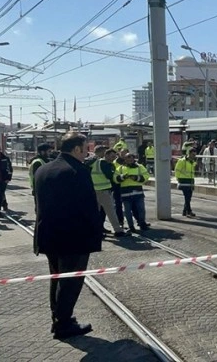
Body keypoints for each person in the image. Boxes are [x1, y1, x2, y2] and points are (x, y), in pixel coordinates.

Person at [33, 132, 103, 339]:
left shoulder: (43, 169)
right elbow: (89, 207)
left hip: (48, 235)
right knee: (70, 282)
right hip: (73, 237)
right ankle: (63, 324)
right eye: (85, 149)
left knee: (56, 278)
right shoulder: (78, 171)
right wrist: (96, 232)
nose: (87, 153)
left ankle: (58, 318)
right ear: (76, 149)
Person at [88, 146, 129, 237]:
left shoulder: (95, 162)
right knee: (111, 212)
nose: (113, 158)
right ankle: (118, 230)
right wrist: (119, 176)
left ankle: (97, 231)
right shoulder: (104, 164)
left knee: (96, 213)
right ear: (105, 155)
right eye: (111, 156)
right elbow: (110, 176)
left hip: (94, 191)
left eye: (114, 156)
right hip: (103, 191)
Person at [115, 153, 151, 232]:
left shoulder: (139, 167)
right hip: (126, 194)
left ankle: (142, 224)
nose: (130, 160)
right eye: (128, 158)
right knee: (128, 211)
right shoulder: (120, 168)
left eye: (131, 158)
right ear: (125, 159)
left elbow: (146, 176)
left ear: (134, 159)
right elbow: (115, 179)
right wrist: (123, 177)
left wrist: (136, 178)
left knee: (141, 209)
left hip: (138, 193)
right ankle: (131, 226)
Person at [175, 149, 197, 217]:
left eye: (195, 155)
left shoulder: (193, 162)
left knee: (189, 197)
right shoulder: (182, 161)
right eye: (193, 154)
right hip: (183, 180)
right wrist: (178, 179)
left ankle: (184, 211)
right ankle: (189, 211)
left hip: (190, 180)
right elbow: (177, 170)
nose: (194, 156)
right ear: (189, 154)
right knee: (187, 197)